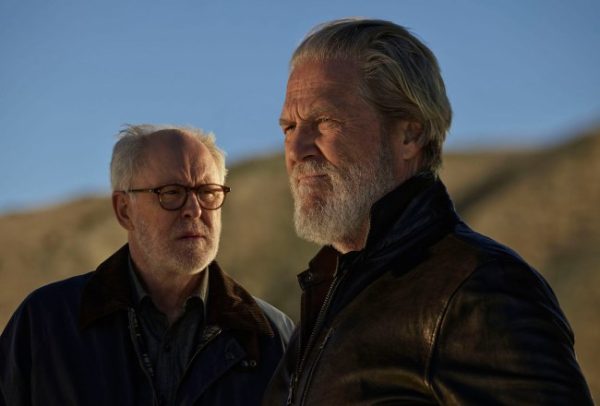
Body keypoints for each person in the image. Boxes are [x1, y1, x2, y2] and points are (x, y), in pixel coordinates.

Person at [263, 18, 593, 405]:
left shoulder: (478, 289)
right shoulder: (327, 302)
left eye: (324, 122)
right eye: (289, 127)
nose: (297, 149)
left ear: (410, 134)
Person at [0, 124, 294, 406]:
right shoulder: (46, 323)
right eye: (172, 193)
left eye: (207, 192)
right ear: (124, 210)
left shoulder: (273, 338)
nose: (194, 210)